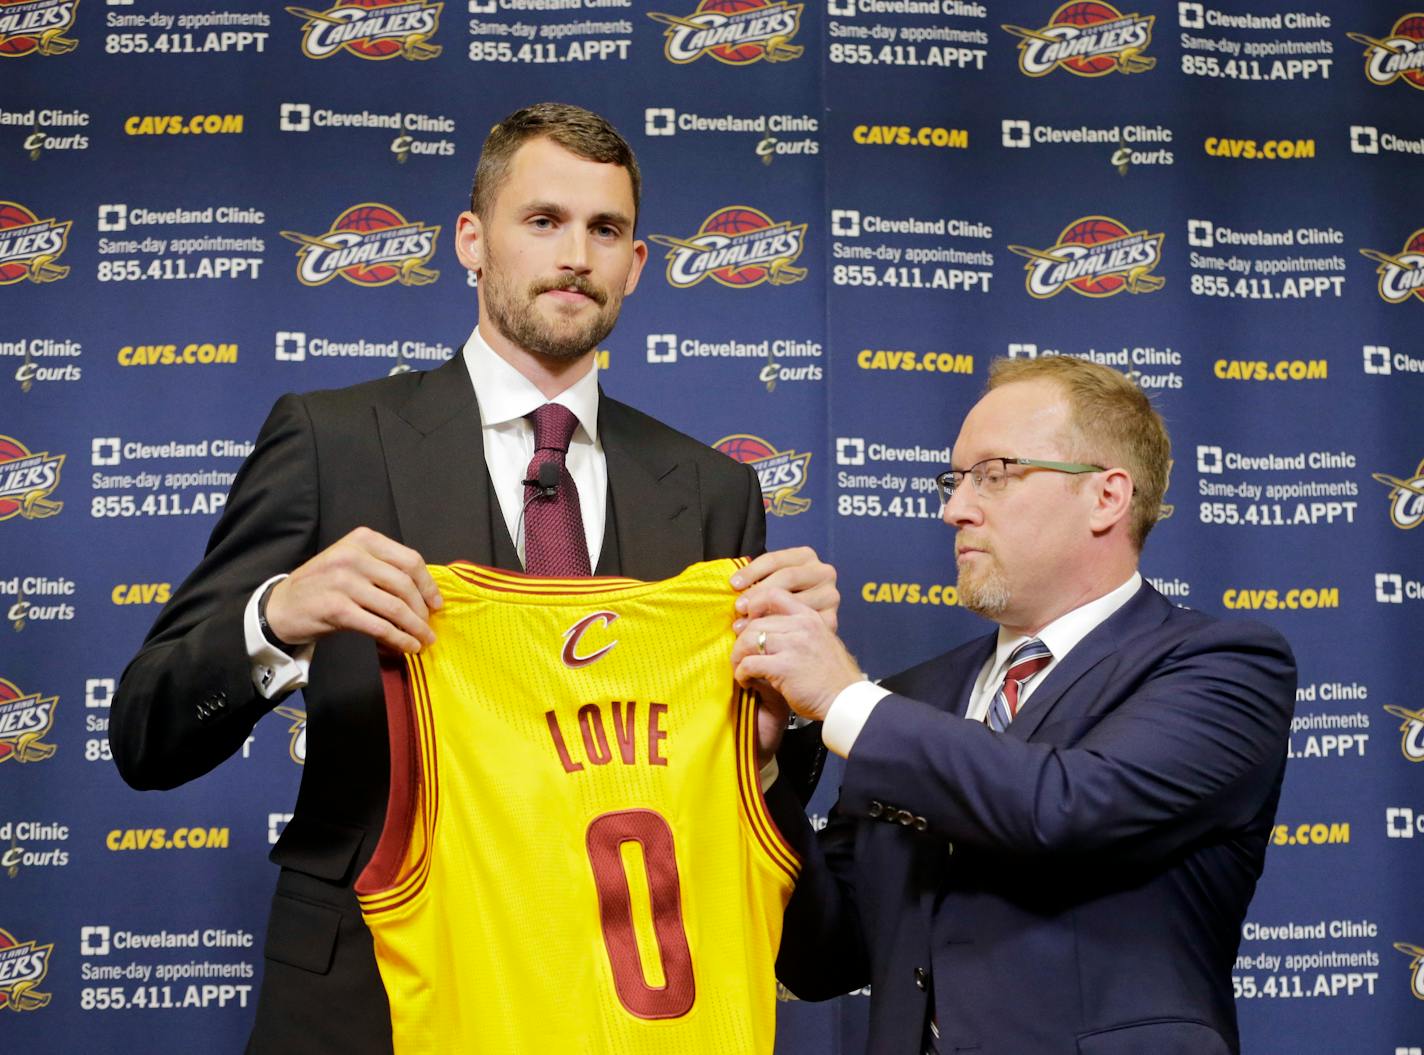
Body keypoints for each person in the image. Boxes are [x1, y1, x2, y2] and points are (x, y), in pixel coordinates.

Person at [110, 102, 835, 1054]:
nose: (576, 253)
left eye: (605, 229)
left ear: (637, 264)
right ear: (471, 241)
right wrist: (277, 618)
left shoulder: (712, 489)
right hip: (367, 997)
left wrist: (779, 736)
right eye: (543, 221)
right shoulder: (334, 440)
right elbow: (144, 731)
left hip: (620, 1002)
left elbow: (738, 795)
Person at [734, 355, 1296, 1055]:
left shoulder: (1222, 666)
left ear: (1106, 496)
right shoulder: (913, 697)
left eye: (994, 475)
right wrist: (761, 771)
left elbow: (1064, 807)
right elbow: (823, 955)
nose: (954, 508)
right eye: (954, 479)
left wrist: (845, 699)